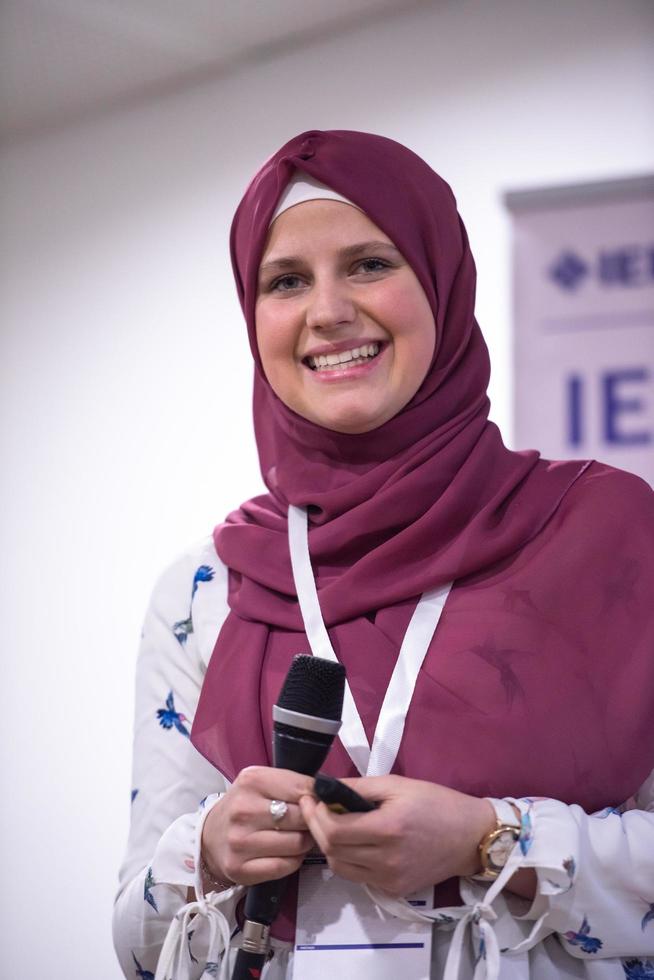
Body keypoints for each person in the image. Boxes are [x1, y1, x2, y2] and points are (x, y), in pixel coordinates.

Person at [113, 130, 654, 980]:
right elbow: (134, 940)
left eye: (369, 264)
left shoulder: (608, 534)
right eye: (287, 280)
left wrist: (490, 840)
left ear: (442, 281)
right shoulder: (211, 586)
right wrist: (210, 850)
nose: (327, 310)